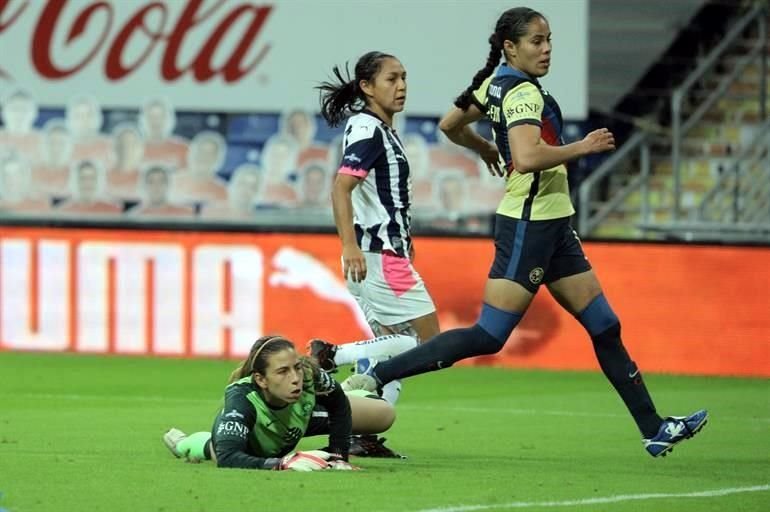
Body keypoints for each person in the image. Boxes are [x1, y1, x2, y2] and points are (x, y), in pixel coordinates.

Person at [345, 8, 707, 458]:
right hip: (529, 226)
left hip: (555, 225)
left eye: (549, 40)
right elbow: (529, 156)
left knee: (605, 326)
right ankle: (376, 374)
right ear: (511, 48)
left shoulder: (494, 82)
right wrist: (584, 146)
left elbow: (450, 124)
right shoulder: (520, 93)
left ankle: (654, 429)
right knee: (489, 335)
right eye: (536, 41)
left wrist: (482, 148)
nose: (546, 48)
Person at [316, 51, 442, 405]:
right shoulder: (370, 130)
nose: (401, 86)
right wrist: (349, 246)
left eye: (404, 77)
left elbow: (379, 198)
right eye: (391, 79)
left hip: (378, 256)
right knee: (430, 345)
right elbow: (342, 186)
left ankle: (363, 430)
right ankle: (333, 354)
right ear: (367, 87)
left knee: (388, 353)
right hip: (379, 258)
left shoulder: (374, 127)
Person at [162, 335, 398, 470]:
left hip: (300, 417)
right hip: (258, 439)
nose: (294, 378)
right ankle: (183, 442)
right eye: (283, 372)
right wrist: (281, 463)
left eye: (296, 368)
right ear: (261, 380)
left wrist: (338, 455)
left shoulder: (307, 374)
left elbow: (338, 404)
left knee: (384, 414)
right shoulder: (241, 400)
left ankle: (348, 389)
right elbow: (228, 457)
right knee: (215, 449)